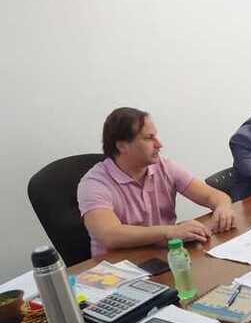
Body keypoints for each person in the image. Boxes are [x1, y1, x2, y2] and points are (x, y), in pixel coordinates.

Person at [78, 107, 236, 256]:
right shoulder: (94, 183)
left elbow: (212, 196)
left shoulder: (164, 167)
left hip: (164, 256)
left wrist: (223, 207)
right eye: (149, 138)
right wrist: (169, 231)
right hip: (118, 270)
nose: (159, 144)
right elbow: (110, 234)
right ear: (122, 146)